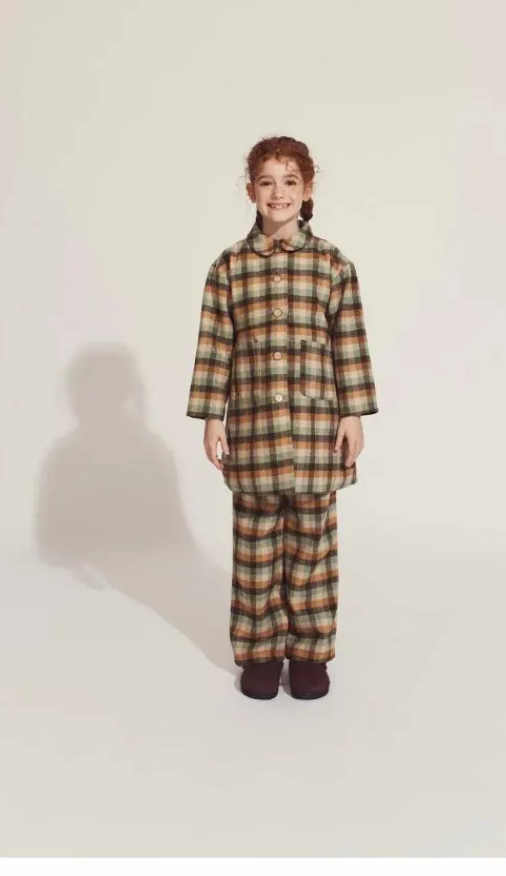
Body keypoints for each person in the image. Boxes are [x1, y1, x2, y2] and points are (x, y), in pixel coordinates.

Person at [186, 135, 378, 700]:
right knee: (255, 547)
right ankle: (261, 653)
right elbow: (215, 345)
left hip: (316, 432)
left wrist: (353, 413)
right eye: (267, 182)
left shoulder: (333, 265)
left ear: (307, 189)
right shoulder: (229, 267)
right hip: (252, 430)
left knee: (313, 546)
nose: (278, 193)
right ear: (251, 190)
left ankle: (311, 653)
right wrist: (212, 416)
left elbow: (349, 342)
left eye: (290, 182)